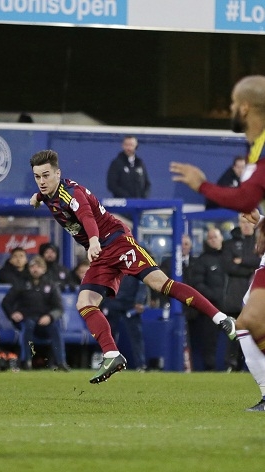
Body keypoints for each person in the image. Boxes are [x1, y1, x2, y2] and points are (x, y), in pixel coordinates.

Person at [30, 149, 235, 384]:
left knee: (161, 284)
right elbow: (45, 194)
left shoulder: (71, 194)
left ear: (58, 173)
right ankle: (112, 354)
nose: (42, 181)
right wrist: (37, 197)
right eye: (37, 177)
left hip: (116, 242)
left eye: (46, 175)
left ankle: (221, 318)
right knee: (85, 302)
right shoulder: (49, 192)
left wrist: (93, 240)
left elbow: (86, 216)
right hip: (102, 254)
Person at [170, 74, 265, 410]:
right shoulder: (256, 146)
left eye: (233, 103)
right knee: (247, 325)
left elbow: (244, 198)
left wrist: (202, 185)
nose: (230, 109)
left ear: (246, 107)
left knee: (249, 323)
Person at [1, 256, 69, 371]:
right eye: (32, 266)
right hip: (26, 318)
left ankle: (61, 362)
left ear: (44, 269)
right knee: (28, 325)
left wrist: (50, 316)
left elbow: (59, 308)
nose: (35, 269)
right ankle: (26, 361)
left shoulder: (51, 285)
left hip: (44, 320)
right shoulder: (21, 283)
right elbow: (6, 302)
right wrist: (13, 313)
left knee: (55, 328)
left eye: (38, 267)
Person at [221, 215, 257, 371]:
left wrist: (241, 261)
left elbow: (260, 263)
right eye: (243, 222)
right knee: (235, 332)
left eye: (249, 222)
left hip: (256, 296)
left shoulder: (260, 241)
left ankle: (252, 367)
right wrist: (250, 269)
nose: (246, 225)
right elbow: (228, 266)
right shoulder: (229, 244)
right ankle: (232, 364)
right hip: (236, 295)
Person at [189, 228, 227, 371]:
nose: (213, 240)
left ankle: (233, 367)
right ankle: (209, 368)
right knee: (209, 340)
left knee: (236, 338)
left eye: (215, 237)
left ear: (221, 238)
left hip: (231, 306)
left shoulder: (228, 258)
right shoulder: (202, 260)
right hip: (211, 308)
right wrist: (214, 296)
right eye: (210, 238)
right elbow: (198, 284)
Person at [102, 275, 149, 371]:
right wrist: (103, 302)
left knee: (136, 336)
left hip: (131, 304)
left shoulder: (137, 266)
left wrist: (139, 301)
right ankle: (109, 364)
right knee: (109, 335)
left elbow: (142, 283)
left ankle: (141, 365)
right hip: (112, 302)